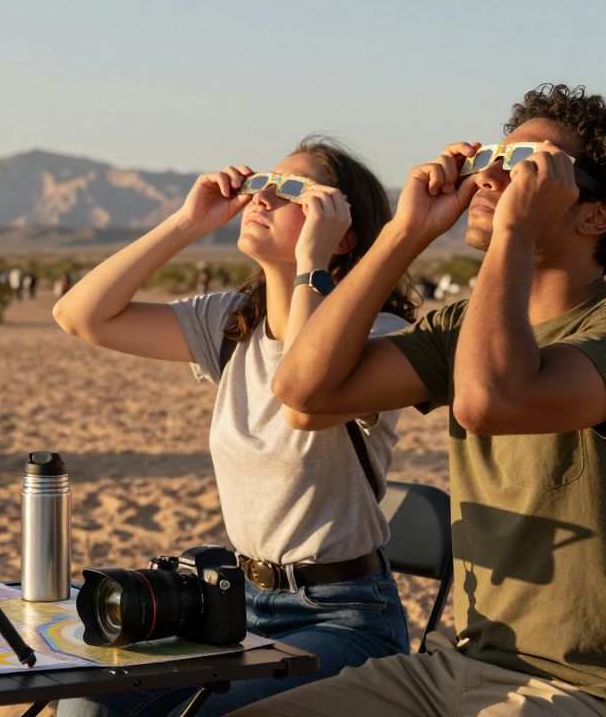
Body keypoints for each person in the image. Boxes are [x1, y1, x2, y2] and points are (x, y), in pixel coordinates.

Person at [251, 85, 606, 717]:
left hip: (595, 690)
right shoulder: (463, 326)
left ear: (595, 216)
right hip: (455, 667)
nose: (488, 177)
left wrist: (514, 227)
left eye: (526, 167)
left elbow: (490, 401)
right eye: (490, 157)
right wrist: (406, 232)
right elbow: (304, 395)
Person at [53, 138, 421, 717]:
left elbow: (305, 393)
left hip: (342, 615)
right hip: (235, 600)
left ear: (342, 233)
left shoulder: (377, 334)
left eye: (291, 190)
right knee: (87, 701)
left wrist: (312, 264)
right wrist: (187, 223)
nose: (262, 198)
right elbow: (80, 315)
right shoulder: (231, 324)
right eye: (262, 184)